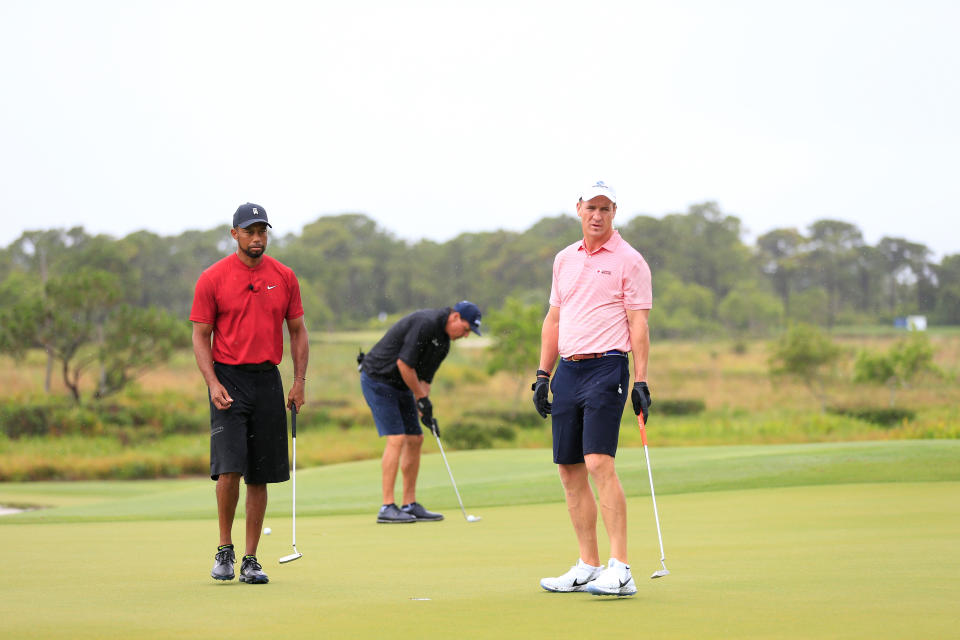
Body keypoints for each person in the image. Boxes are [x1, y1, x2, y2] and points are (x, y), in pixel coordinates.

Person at [533, 181, 652, 597]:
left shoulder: (629, 260)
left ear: (614, 211)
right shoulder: (564, 259)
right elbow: (553, 320)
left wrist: (641, 379)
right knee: (568, 468)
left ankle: (620, 568)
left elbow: (638, 323)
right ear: (578, 208)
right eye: (591, 207)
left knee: (599, 461)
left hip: (608, 367)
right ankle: (588, 564)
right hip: (568, 369)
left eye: (605, 208)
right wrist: (543, 374)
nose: (597, 215)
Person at [190, 202, 309, 584]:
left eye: (263, 231)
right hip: (228, 379)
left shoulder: (284, 276)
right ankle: (225, 549)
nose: (257, 238)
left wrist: (299, 381)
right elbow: (200, 336)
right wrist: (212, 383)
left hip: (267, 380)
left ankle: (251, 559)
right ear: (235, 234)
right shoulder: (213, 278)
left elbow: (297, 331)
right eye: (250, 231)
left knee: (260, 475)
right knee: (229, 469)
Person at [358, 301, 482, 523]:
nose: (465, 336)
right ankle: (387, 507)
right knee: (397, 438)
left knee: (416, 438)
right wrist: (421, 397)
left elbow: (424, 380)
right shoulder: (426, 323)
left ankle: (409, 504)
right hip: (378, 379)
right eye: (465, 329)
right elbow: (404, 364)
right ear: (455, 317)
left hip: (403, 383)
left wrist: (426, 408)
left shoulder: (444, 344)